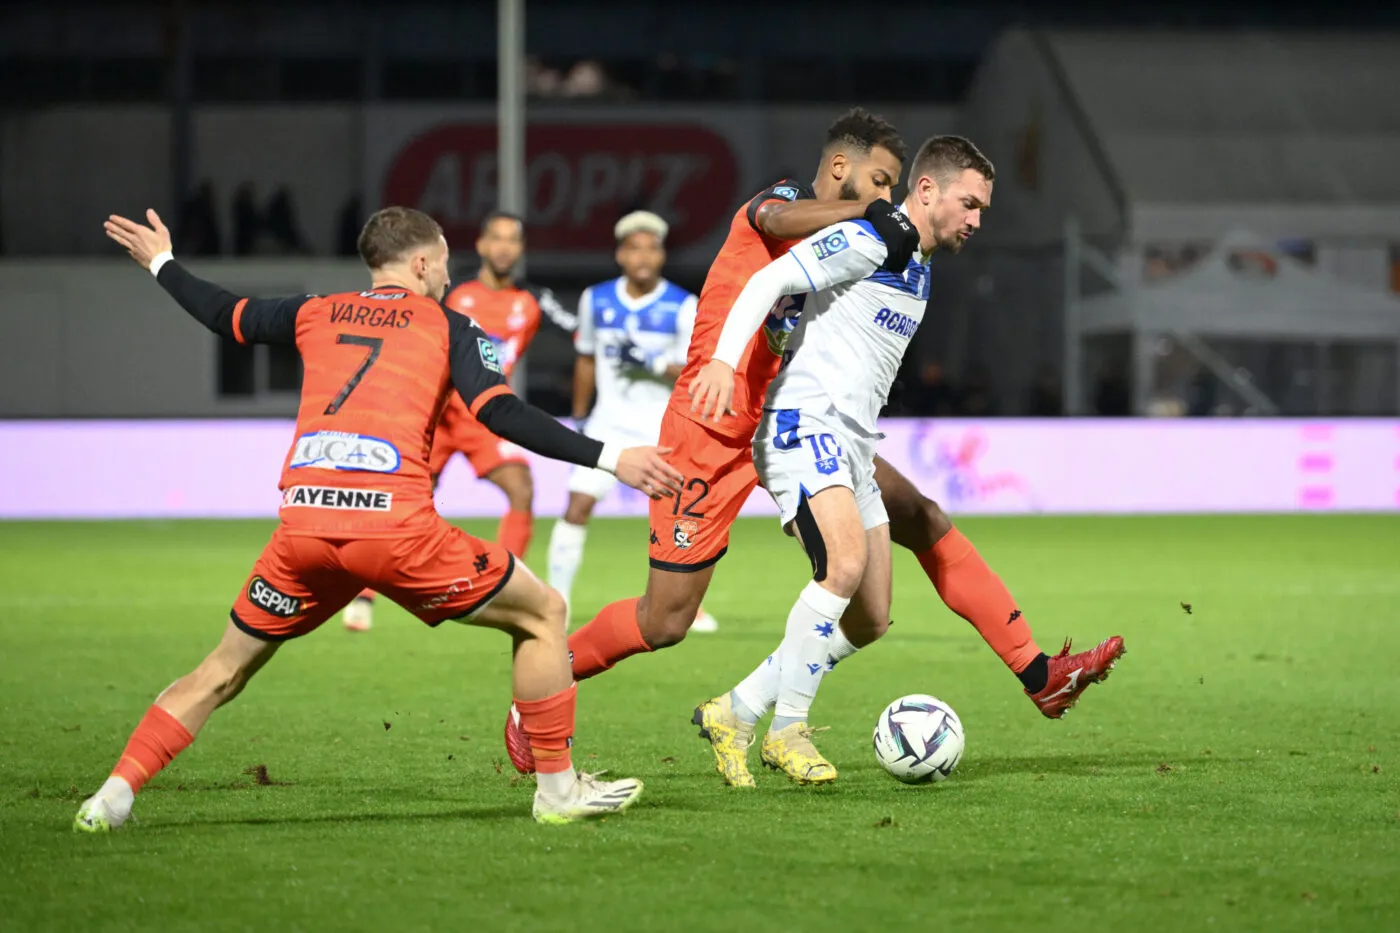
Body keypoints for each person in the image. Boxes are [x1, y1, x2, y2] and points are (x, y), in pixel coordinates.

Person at [504, 113, 1122, 776]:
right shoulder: (791, 207)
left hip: (796, 420)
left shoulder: (897, 249)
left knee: (903, 549)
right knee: (666, 619)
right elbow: (773, 230)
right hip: (713, 424)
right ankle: (543, 687)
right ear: (841, 172)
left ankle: (1033, 671)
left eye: (891, 185)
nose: (883, 194)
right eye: (879, 180)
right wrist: (876, 214)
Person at [76, 206, 682, 832]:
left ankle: (113, 796)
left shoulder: (316, 310)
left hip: (303, 532)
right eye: (444, 262)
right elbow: (501, 412)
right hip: (396, 531)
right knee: (543, 614)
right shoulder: (452, 326)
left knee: (221, 670)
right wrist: (611, 456)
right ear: (421, 263)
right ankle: (558, 789)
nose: (448, 275)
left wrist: (162, 263)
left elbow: (223, 313)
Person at [691, 136, 1120, 786]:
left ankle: (738, 707)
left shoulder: (916, 263)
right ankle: (788, 731)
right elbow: (771, 277)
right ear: (927, 191)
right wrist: (724, 359)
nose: (976, 220)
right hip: (803, 423)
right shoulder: (878, 239)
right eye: (969, 203)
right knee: (843, 562)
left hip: (853, 443)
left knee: (870, 615)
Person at [342, 211, 574, 632]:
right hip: (438, 412)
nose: (504, 247)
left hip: (485, 417)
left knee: (521, 489)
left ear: (521, 249)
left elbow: (581, 332)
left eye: (513, 240)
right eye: (496, 238)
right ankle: (363, 597)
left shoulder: (531, 301)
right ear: (482, 245)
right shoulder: (454, 292)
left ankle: (506, 586)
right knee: (400, 500)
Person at [543, 210, 719, 632]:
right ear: (620, 254)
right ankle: (555, 603)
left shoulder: (683, 305)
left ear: (661, 255)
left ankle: (684, 606)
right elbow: (585, 359)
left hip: (662, 429)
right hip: (607, 426)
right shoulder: (595, 299)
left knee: (677, 521)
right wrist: (581, 417)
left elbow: (699, 371)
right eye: (634, 247)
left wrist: (656, 363)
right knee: (577, 506)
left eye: (652, 247)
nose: (643, 255)